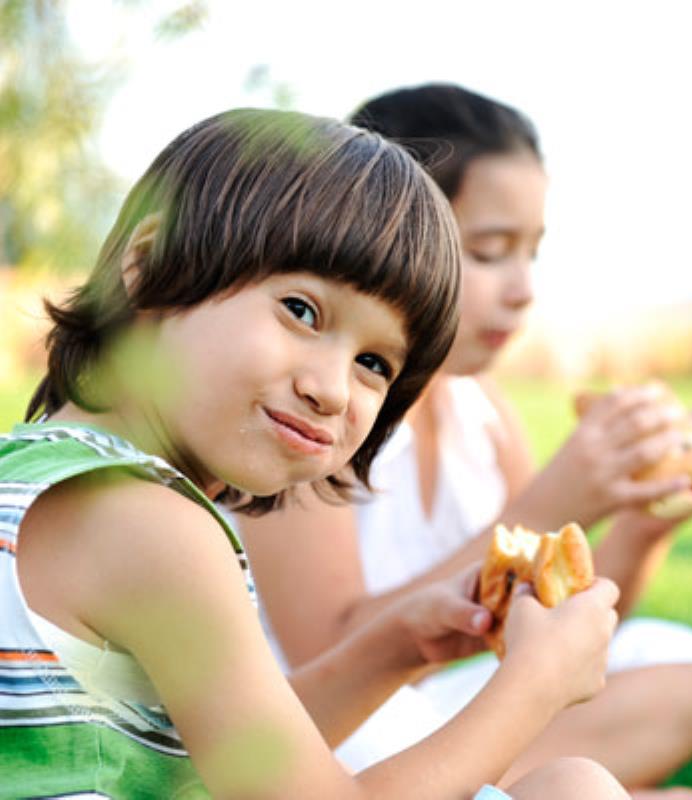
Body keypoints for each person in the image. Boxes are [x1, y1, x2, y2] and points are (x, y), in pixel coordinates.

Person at [0, 107, 629, 800]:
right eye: (301, 310)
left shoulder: (43, 474)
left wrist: (391, 651)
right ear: (149, 267)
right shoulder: (150, 526)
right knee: (577, 791)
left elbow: (224, 770)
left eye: (374, 363)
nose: (331, 389)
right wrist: (534, 687)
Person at [239, 84, 692, 800]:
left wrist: (643, 523)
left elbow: (552, 612)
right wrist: (555, 496)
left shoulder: (482, 408)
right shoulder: (315, 413)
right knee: (387, 734)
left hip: (442, 695)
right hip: (332, 707)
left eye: (532, 252)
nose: (524, 287)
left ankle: (493, 778)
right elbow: (329, 648)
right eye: (491, 252)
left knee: (690, 668)